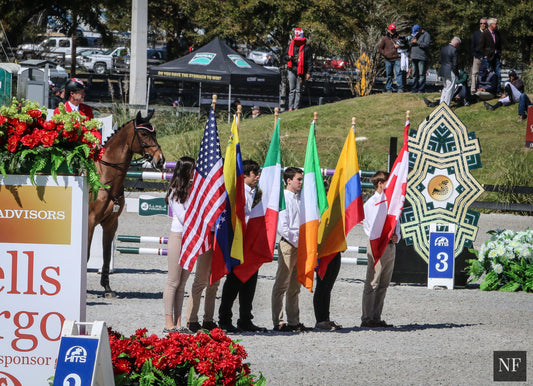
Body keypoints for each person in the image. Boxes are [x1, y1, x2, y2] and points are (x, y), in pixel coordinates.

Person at [218, 160, 268, 333]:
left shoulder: (256, 193)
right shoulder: (237, 192)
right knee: (234, 281)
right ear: (245, 175)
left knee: (250, 282)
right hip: (239, 242)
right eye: (254, 173)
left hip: (251, 242)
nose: (257, 176)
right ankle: (224, 318)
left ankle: (245, 318)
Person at [271, 167, 311, 331]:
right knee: (282, 283)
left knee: (295, 285)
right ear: (289, 180)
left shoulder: (300, 198)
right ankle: (278, 321)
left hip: (300, 243)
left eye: (301, 179)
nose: (301, 182)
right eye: (298, 179)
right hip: (289, 243)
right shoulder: (284, 198)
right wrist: (297, 242)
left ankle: (294, 320)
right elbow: (283, 227)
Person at [361, 171, 401, 328]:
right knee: (373, 281)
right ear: (380, 183)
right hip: (377, 245)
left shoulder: (392, 202)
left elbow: (397, 221)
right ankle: (367, 317)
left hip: (390, 245)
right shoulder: (371, 203)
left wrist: (397, 235)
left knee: (384, 282)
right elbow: (369, 227)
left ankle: (376, 316)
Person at [162, 156, 195, 335]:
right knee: (173, 281)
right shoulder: (175, 190)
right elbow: (183, 217)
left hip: (191, 237)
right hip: (179, 236)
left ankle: (179, 321)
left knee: (182, 283)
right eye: (192, 170)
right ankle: (168, 322)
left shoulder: (193, 190)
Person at [284, 28, 312, 111]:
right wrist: (289, 57)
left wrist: (308, 72)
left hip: (301, 71)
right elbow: (284, 57)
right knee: (292, 89)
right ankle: (290, 107)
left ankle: (296, 107)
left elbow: (309, 61)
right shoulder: (290, 46)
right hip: (291, 69)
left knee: (298, 90)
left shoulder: (307, 48)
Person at [479, 18, 502, 95]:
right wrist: (485, 55)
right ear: (491, 25)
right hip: (488, 57)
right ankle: (487, 89)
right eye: (496, 23)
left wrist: (499, 53)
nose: (497, 25)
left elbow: (499, 45)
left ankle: (498, 90)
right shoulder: (485, 34)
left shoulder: (497, 33)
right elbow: (481, 47)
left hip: (496, 57)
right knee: (487, 74)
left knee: (498, 73)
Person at [378, 24, 403, 93]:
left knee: (398, 73)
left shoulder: (399, 37)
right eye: (392, 30)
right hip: (388, 59)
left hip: (397, 58)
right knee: (389, 74)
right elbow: (380, 48)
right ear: (388, 30)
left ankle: (400, 88)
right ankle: (389, 88)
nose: (393, 31)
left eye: (394, 30)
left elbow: (405, 45)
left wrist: (400, 46)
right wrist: (385, 54)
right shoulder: (385, 39)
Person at [438, 37, 461, 106]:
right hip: (450, 71)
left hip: (443, 70)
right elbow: (455, 63)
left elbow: (440, 60)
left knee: (445, 88)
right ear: (456, 43)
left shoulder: (443, 48)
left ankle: (441, 103)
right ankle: (446, 105)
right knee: (450, 89)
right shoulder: (454, 50)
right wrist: (456, 73)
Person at [409, 24, 431, 93]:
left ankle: (421, 89)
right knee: (414, 74)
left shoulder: (426, 35)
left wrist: (417, 42)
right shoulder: (413, 35)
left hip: (422, 57)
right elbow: (409, 44)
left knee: (422, 74)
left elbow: (426, 45)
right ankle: (414, 88)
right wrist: (411, 42)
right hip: (413, 56)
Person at [470, 18, 488, 94]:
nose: (482, 25)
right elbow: (472, 45)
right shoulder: (476, 33)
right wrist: (475, 54)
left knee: (486, 73)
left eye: (484, 23)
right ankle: (473, 89)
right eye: (481, 23)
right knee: (474, 73)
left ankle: (485, 88)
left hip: (486, 57)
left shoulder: (488, 33)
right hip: (477, 56)